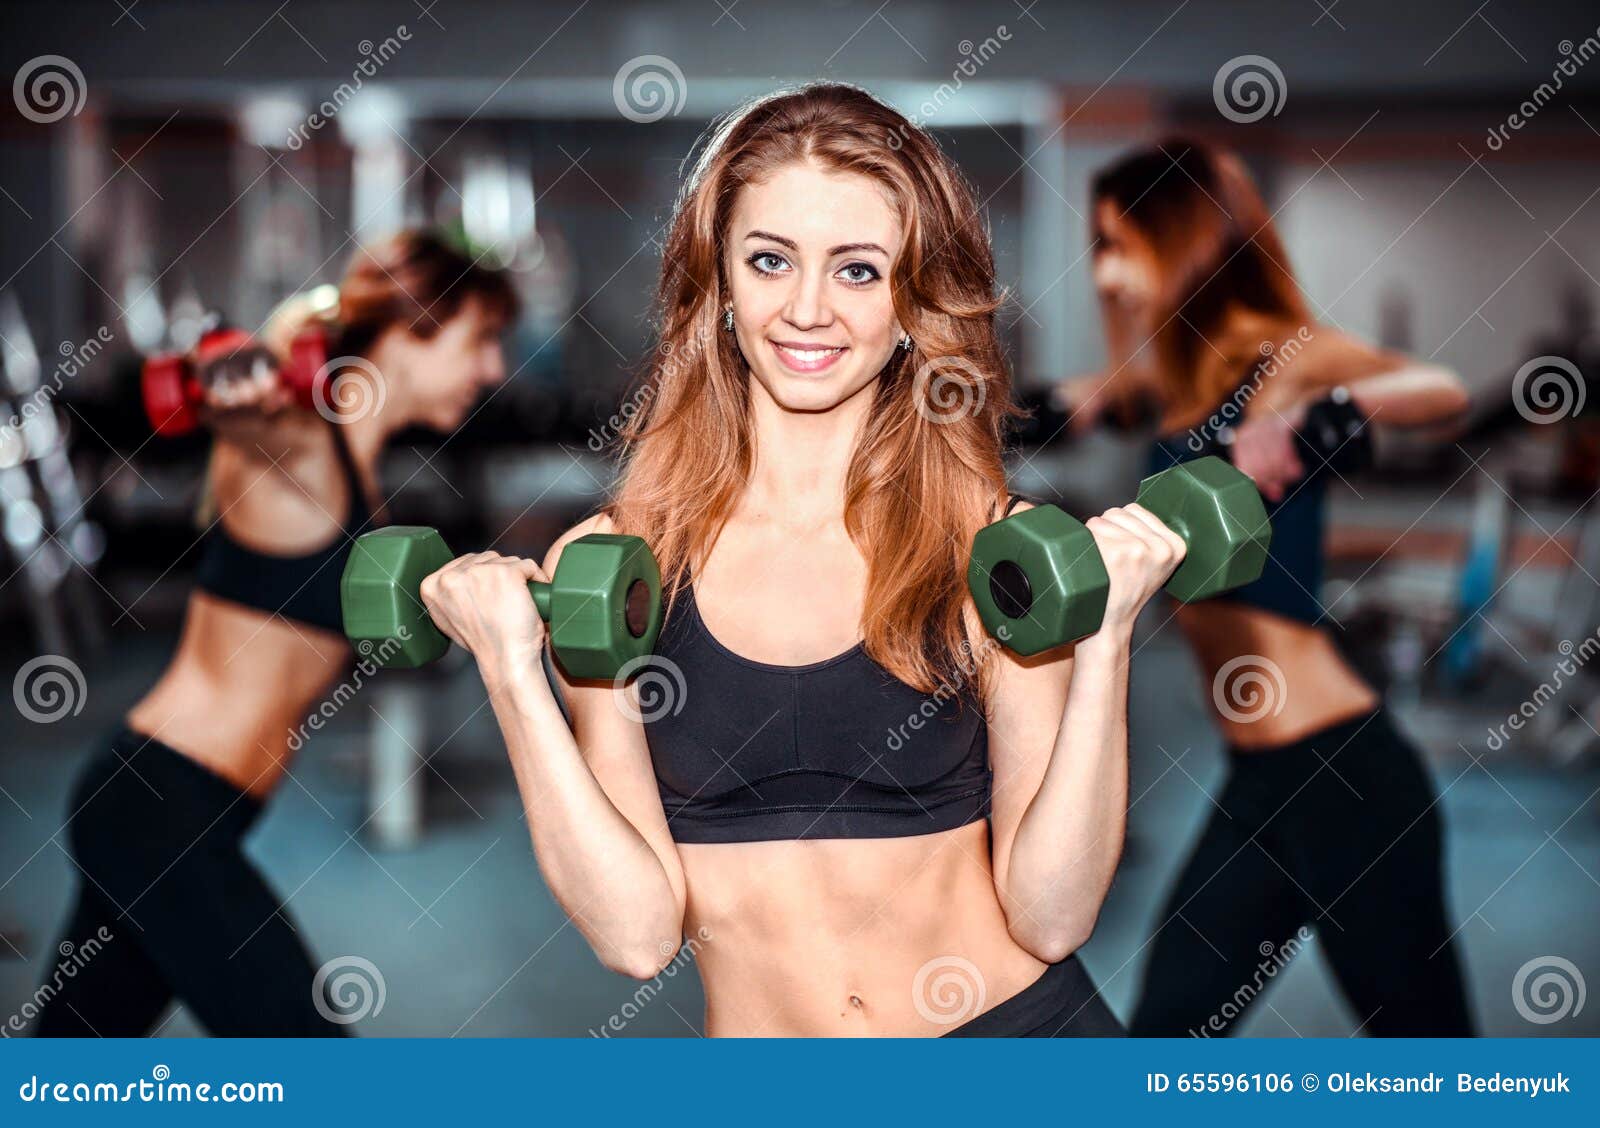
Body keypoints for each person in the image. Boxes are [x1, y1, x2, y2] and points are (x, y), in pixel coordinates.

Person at [417, 83, 1182, 1037]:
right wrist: (509, 671)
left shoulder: (993, 550)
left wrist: (1105, 642)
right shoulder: (624, 566)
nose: (808, 309)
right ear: (720, 282)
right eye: (771, 260)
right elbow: (636, 936)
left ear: (911, 303)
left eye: (859, 270)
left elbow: (1053, 915)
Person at [34, 230, 517, 1037]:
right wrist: (236, 388)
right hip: (165, 812)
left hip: (173, 809)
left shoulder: (359, 474)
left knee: (64, 1076)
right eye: (482, 340)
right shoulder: (301, 454)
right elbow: (258, 427)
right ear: (411, 331)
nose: (494, 369)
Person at [1056, 139, 1475, 1036]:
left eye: (1120, 243)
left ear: (1183, 242)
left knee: (1436, 1064)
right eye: (1100, 247)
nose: (1107, 273)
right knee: (1165, 1041)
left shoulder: (1280, 354)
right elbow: (1112, 398)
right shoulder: (1173, 382)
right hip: (1257, 783)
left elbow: (1439, 391)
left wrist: (1320, 410)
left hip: (1347, 779)